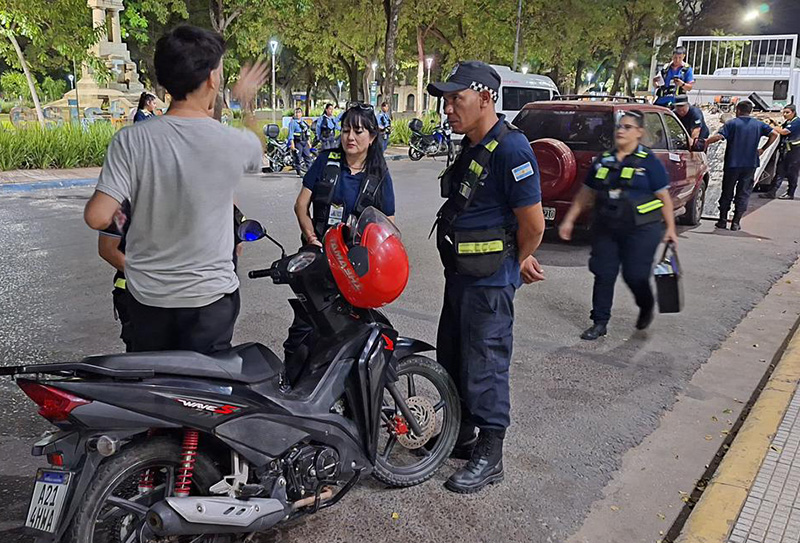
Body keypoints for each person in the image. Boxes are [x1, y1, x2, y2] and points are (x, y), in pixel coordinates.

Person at [83, 25, 266, 354]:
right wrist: (246, 101)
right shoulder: (230, 142)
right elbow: (258, 149)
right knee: (202, 383)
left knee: (152, 381)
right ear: (212, 79)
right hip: (210, 301)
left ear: (165, 80)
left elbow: (98, 217)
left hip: (148, 300)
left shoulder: (131, 140)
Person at [427, 61, 545, 494]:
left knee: (486, 364)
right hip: (461, 276)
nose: (448, 109)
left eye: (456, 99)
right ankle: (461, 435)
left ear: (485, 98)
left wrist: (514, 261)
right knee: (454, 356)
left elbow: (533, 225)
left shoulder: (513, 150)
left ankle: (491, 453)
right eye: (445, 100)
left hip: (490, 282)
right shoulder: (473, 145)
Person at [284, 102, 396, 370]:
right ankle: (292, 380)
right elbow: (301, 205)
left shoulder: (379, 174)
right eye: (346, 130)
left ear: (372, 136)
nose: (350, 137)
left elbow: (388, 225)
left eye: (358, 131)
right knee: (304, 330)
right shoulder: (326, 161)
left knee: (348, 332)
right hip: (318, 261)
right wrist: (311, 237)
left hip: (353, 268)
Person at [559, 110, 678, 341]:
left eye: (627, 127)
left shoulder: (649, 162)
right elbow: (586, 193)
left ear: (639, 132)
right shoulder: (604, 160)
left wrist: (671, 229)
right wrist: (570, 219)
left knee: (635, 275)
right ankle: (599, 322)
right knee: (604, 273)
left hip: (642, 228)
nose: (621, 131)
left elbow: (663, 197)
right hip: (607, 226)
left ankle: (646, 305)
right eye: (619, 127)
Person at [705, 100, 779, 231]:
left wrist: (705, 142)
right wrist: (763, 149)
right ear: (750, 111)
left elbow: (719, 137)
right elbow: (774, 134)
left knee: (727, 191)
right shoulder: (758, 124)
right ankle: (736, 222)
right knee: (743, 193)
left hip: (732, 164)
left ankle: (722, 221)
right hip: (750, 164)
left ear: (738, 110)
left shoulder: (732, 123)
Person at [98, 200, 133, 351]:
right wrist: (149, 278)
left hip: (192, 293)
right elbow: (108, 250)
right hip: (135, 294)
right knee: (143, 353)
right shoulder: (123, 202)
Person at [760, 105, 800, 200]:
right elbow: (780, 128)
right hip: (785, 151)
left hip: (794, 152)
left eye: (787, 112)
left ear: (793, 113)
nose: (785, 114)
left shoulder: (796, 122)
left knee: (792, 173)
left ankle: (790, 193)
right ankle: (771, 192)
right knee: (780, 172)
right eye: (784, 112)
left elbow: (783, 132)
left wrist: (771, 126)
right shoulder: (788, 122)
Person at [288, 107, 313, 175]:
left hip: (304, 142)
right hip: (298, 142)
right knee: (298, 157)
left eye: (299, 112)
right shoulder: (293, 123)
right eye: (296, 112)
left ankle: (310, 172)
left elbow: (307, 133)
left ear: (301, 114)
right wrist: (292, 144)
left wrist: (309, 142)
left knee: (308, 157)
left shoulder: (303, 122)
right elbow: (290, 134)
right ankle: (299, 171)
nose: (297, 114)